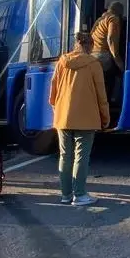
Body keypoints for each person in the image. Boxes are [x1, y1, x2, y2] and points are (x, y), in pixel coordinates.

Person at [48, 31, 109, 206]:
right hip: (86, 117)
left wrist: (57, 107)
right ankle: (80, 194)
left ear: (76, 44)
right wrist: (105, 117)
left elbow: (53, 90)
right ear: (90, 46)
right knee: (81, 156)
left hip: (63, 116)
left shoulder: (62, 61)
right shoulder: (94, 64)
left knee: (65, 156)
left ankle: (66, 195)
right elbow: (101, 94)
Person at [90, 1, 125, 100]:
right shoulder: (113, 19)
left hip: (93, 55)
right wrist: (118, 60)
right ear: (119, 12)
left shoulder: (100, 19)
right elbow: (110, 40)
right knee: (119, 72)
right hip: (103, 55)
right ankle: (114, 99)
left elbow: (91, 35)